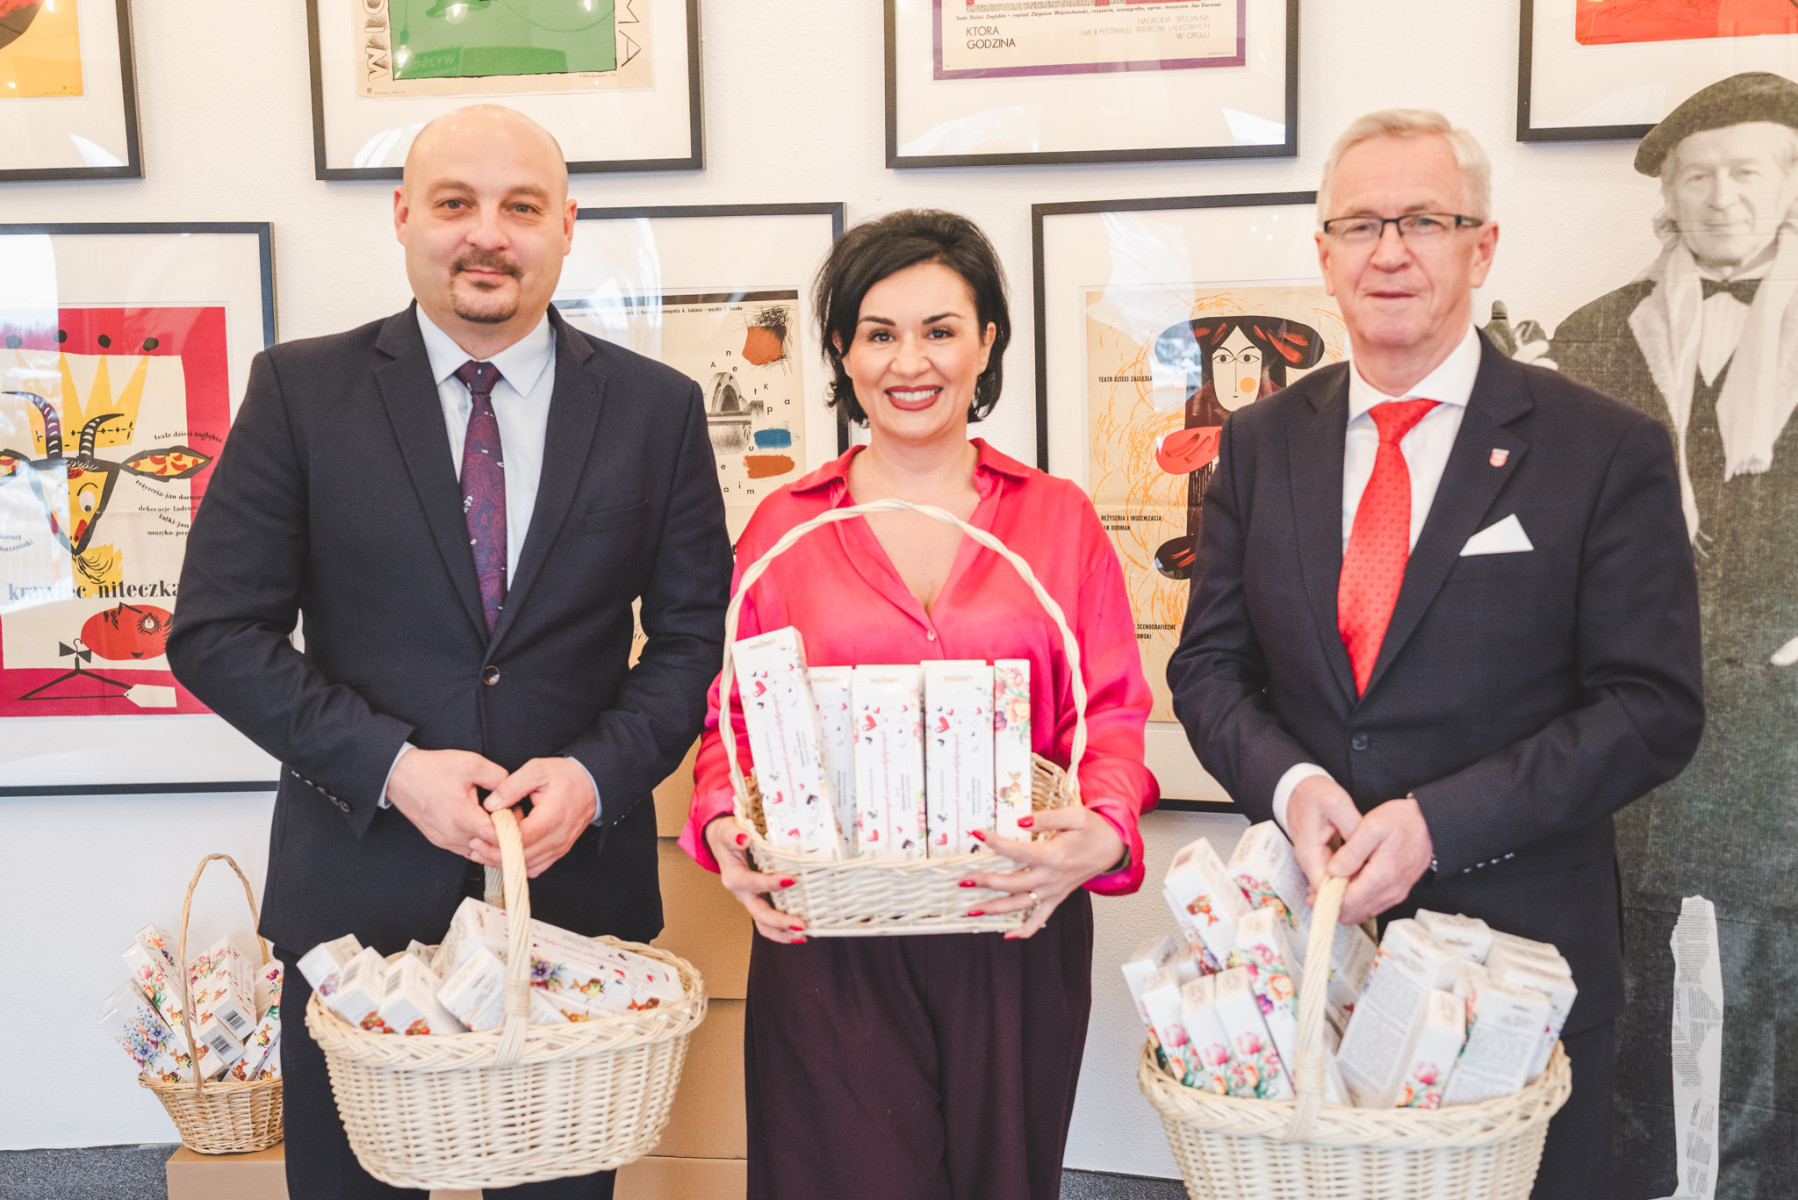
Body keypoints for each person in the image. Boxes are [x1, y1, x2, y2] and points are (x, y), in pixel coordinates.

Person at [166, 105, 733, 1199]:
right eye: (455, 203)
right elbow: (216, 633)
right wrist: (390, 767)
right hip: (355, 910)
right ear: (402, 216)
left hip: (570, 912)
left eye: (521, 206)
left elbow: (692, 637)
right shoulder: (299, 392)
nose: (487, 234)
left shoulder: (655, 410)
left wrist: (597, 776)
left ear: (566, 224)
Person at [1165, 110, 1704, 1200]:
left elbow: (1651, 708)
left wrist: (1437, 823)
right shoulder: (1260, 445)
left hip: (1517, 982)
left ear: (1481, 247)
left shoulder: (1605, 448)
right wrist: (1293, 785)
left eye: (1424, 220)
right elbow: (1208, 669)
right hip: (1309, 976)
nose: (1390, 251)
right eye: (1360, 225)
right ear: (1325, 255)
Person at [677, 208, 1157, 1200]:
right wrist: (722, 822)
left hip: (1013, 918)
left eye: (940, 330)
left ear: (986, 343)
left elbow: (1110, 715)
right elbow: (733, 722)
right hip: (829, 931)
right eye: (879, 333)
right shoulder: (784, 527)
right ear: (842, 351)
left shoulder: (1058, 518)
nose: (910, 362)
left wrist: (1105, 829)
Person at [1550, 71, 1798, 1193]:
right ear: (1669, 196)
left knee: (1770, 990)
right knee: (1627, 977)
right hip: (1632, 712)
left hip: (1782, 732)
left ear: (1788, 186)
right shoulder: (1598, 335)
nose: (1721, 197)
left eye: (1746, 171)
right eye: (1698, 176)